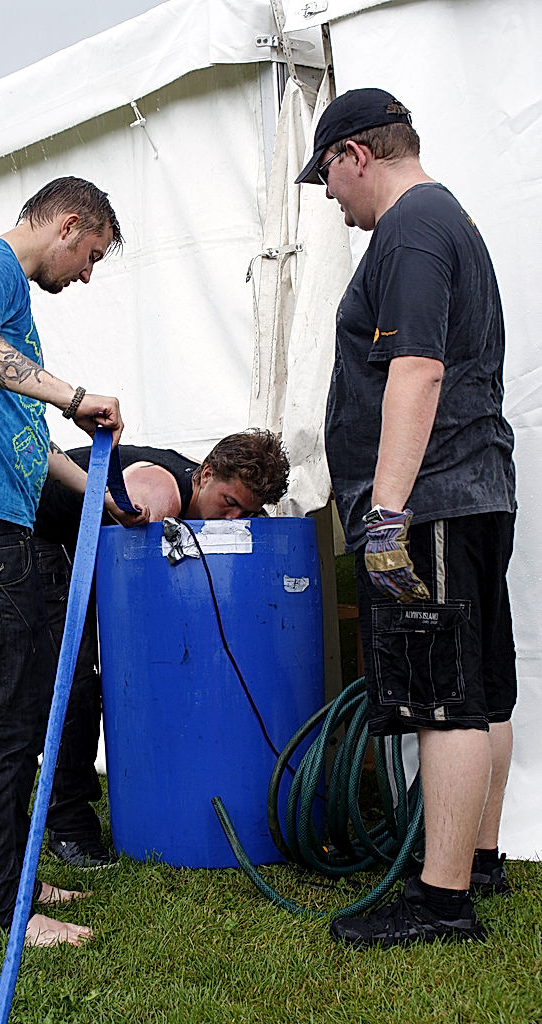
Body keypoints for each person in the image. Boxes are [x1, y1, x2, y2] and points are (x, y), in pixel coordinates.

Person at [296, 89, 516, 948]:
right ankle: (480, 858)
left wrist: (384, 515)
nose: (325, 194)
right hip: (468, 492)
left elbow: (416, 371)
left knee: (443, 700)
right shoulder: (440, 219)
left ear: (355, 153)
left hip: (428, 501)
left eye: (325, 174)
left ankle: (441, 901)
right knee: (480, 685)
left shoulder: (413, 228)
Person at [0, 176, 147, 947]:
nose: (86, 274)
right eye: (90, 256)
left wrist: (102, 500)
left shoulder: (17, 314)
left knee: (20, 717)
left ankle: (17, 877)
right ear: (70, 222)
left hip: (1, 526)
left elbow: (30, 446)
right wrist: (71, 394)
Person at [32, 429, 291, 868]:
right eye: (229, 503)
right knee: (73, 680)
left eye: (246, 511)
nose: (232, 519)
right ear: (205, 474)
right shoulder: (159, 494)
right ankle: (68, 822)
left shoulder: (209, 491)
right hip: (22, 530)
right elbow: (142, 603)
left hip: (76, 540)